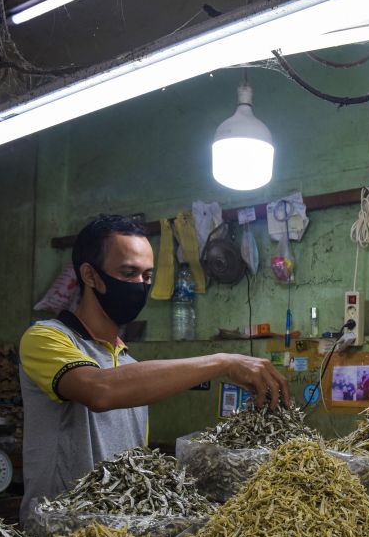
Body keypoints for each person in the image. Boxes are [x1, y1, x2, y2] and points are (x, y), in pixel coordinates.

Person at [18, 213, 289, 516]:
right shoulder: (46, 337)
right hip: (59, 534)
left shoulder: (129, 363)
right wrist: (222, 362)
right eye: (128, 272)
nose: (139, 285)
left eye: (146, 276)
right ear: (90, 275)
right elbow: (100, 390)